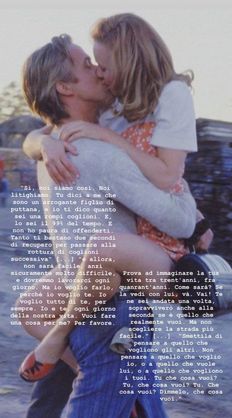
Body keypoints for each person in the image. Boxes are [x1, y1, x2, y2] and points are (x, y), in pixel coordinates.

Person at [19, 13, 204, 379]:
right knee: (29, 309)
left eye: (100, 64)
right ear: (65, 88)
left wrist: (198, 221)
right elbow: (34, 135)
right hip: (105, 264)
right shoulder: (103, 117)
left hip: (155, 254)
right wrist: (44, 143)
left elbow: (170, 179)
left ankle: (60, 342)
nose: (100, 73)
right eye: (90, 65)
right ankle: (84, 370)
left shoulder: (154, 106)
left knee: (102, 251)